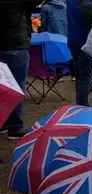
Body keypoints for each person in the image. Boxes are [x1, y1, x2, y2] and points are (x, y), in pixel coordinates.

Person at [0, 0, 44, 140]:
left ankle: (3, 123)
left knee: (3, 87)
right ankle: (15, 127)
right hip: (16, 45)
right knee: (18, 87)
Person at [67, 0, 92, 106]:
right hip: (85, 44)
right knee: (85, 76)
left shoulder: (71, 2)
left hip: (73, 41)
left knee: (79, 74)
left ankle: (79, 103)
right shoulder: (87, 5)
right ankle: (82, 104)